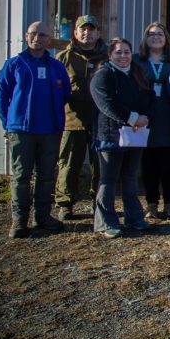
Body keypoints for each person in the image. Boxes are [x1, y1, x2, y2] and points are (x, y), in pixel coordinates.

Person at [0, 22, 70, 238]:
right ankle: (19, 221)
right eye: (33, 34)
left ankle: (43, 216)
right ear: (26, 36)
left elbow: (64, 93)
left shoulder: (56, 67)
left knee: (46, 176)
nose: (37, 37)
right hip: (22, 131)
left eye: (43, 34)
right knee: (20, 176)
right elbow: (1, 95)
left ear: (49, 39)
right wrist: (8, 123)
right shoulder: (14, 64)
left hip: (50, 130)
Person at [89, 38, 152, 239]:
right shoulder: (104, 75)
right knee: (108, 179)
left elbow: (148, 97)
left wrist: (144, 118)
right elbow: (107, 104)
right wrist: (132, 118)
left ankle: (134, 218)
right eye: (118, 52)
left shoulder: (137, 73)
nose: (123, 56)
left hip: (134, 135)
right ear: (110, 55)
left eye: (126, 52)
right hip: (111, 136)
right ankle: (105, 221)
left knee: (130, 177)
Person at [54, 14, 107, 221]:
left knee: (100, 165)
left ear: (98, 32)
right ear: (75, 33)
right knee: (68, 164)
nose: (87, 33)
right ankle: (65, 204)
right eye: (83, 29)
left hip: (100, 121)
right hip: (72, 120)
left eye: (91, 29)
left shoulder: (107, 57)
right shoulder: (62, 59)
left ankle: (99, 202)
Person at [135, 22, 170, 220]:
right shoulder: (137, 61)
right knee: (149, 163)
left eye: (160, 34)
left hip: (169, 117)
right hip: (145, 118)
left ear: (167, 38)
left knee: (169, 163)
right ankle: (151, 203)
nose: (156, 37)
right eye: (151, 34)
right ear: (145, 38)